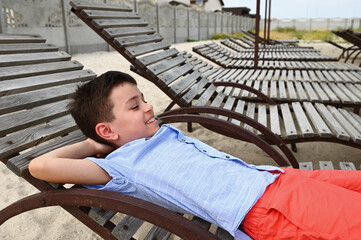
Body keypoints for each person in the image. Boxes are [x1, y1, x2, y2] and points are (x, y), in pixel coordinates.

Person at [29, 71, 361, 240]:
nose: (148, 106)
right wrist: (93, 146)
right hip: (270, 207)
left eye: (143, 98)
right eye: (135, 105)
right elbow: (41, 166)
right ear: (107, 130)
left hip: (278, 180)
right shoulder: (121, 166)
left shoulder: (157, 134)